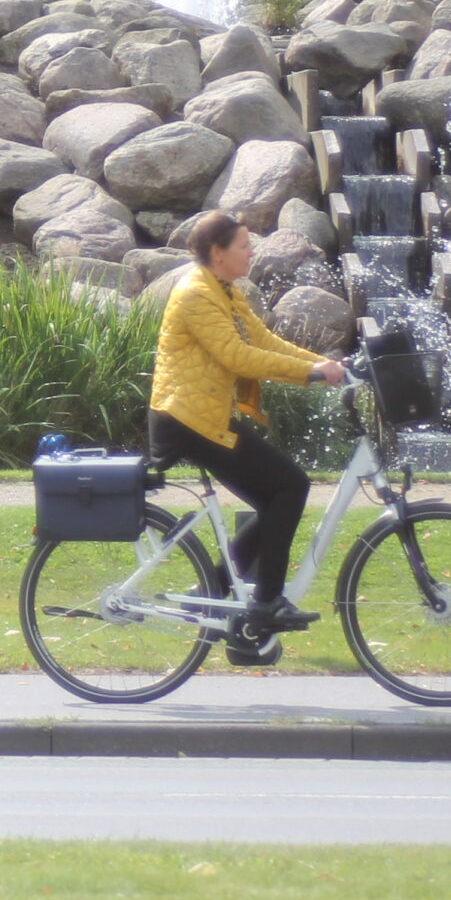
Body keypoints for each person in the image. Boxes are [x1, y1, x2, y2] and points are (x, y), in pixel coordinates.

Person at [148, 210, 349, 660]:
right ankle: (265, 601)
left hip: (204, 415)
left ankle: (215, 589)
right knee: (290, 485)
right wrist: (312, 374)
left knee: (278, 497)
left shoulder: (225, 290)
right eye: (243, 245)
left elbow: (263, 342)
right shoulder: (195, 293)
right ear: (218, 253)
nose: (251, 251)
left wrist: (322, 364)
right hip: (188, 420)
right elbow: (238, 357)